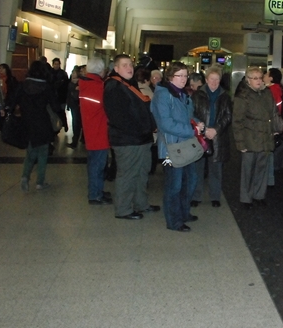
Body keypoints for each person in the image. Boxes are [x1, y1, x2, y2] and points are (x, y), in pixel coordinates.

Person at [103, 54, 160, 220]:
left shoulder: (128, 84)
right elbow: (120, 118)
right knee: (127, 175)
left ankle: (141, 203)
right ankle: (123, 209)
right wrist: (143, 129)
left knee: (141, 173)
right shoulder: (114, 87)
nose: (129, 68)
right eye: (125, 65)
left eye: (130, 65)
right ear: (116, 68)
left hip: (141, 139)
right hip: (128, 140)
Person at [151, 62, 202, 232]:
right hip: (168, 150)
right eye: (179, 75)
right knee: (174, 185)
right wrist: (192, 130)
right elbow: (165, 123)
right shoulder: (163, 95)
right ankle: (174, 220)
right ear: (170, 76)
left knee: (190, 181)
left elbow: (188, 115)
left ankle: (183, 212)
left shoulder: (182, 95)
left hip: (185, 147)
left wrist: (197, 123)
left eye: (185, 75)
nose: (183, 79)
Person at [232, 66, 277, 209]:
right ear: (248, 80)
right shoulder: (243, 96)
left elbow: (273, 113)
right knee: (248, 171)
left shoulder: (266, 93)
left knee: (262, 169)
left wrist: (274, 130)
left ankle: (259, 195)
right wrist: (240, 143)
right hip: (250, 139)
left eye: (260, 77)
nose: (258, 81)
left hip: (264, 138)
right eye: (255, 78)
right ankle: (246, 198)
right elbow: (237, 121)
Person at [191, 66, 233, 208]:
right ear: (206, 80)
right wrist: (201, 126)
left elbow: (228, 116)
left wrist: (215, 129)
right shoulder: (197, 95)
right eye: (212, 79)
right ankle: (196, 196)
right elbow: (191, 113)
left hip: (217, 137)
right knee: (198, 168)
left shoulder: (225, 96)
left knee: (216, 169)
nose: (214, 82)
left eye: (217, 79)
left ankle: (215, 196)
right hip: (200, 136)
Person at [16, 60, 60, 191]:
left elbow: (13, 101)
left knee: (30, 151)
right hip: (43, 123)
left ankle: (25, 176)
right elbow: (55, 106)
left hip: (28, 123)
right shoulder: (46, 87)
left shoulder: (23, 86)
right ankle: (40, 182)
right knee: (43, 153)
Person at [79, 59, 112, 205]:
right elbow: (108, 109)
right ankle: (95, 195)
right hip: (99, 132)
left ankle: (97, 190)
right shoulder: (98, 87)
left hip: (91, 130)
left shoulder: (85, 85)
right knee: (97, 166)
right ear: (100, 71)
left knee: (94, 164)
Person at [0, 63, 18, 131]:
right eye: (0, 68)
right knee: (0, 115)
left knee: (8, 115)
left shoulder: (11, 79)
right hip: (0, 100)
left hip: (9, 100)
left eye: (3, 68)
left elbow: (14, 90)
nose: (1, 70)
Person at [66, 68, 82, 148]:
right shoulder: (71, 82)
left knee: (76, 123)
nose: (73, 74)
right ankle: (77, 139)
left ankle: (75, 140)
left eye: (74, 72)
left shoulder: (78, 82)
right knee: (76, 122)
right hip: (73, 105)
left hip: (76, 105)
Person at [52, 58, 69, 132]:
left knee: (61, 111)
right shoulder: (50, 73)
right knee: (55, 112)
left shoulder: (63, 74)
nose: (56, 65)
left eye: (57, 64)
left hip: (61, 96)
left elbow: (66, 85)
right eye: (55, 64)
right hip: (54, 96)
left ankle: (64, 124)